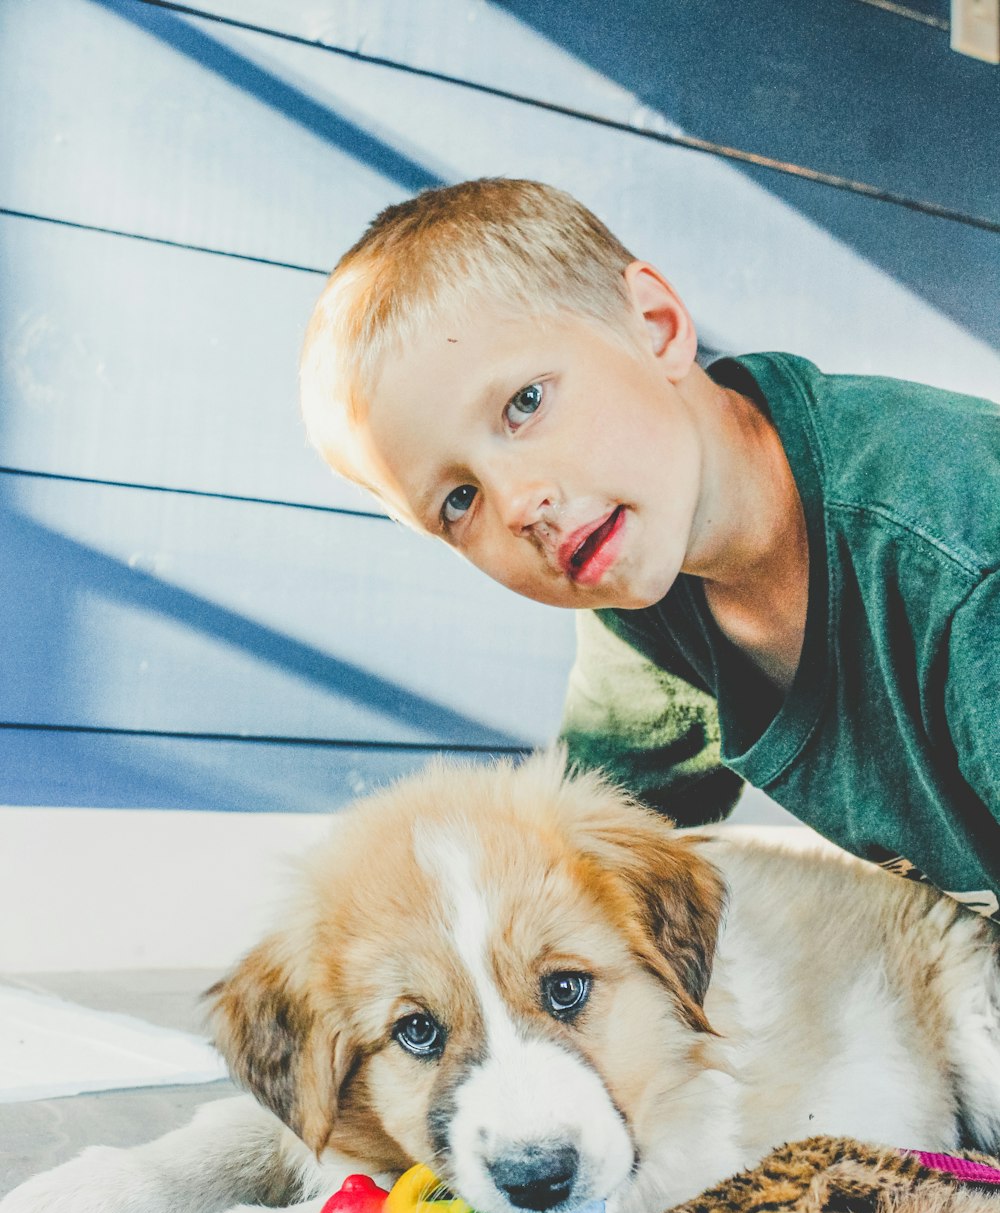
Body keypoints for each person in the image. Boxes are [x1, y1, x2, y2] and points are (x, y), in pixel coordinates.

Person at [299, 177, 1000, 924]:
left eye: (525, 403)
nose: (515, 505)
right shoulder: (640, 593)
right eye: (458, 501)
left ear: (657, 326)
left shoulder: (955, 563)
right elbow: (577, 864)